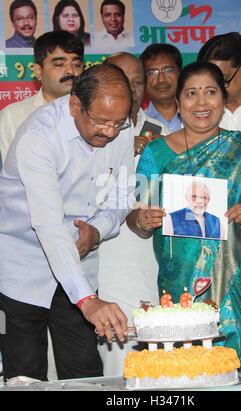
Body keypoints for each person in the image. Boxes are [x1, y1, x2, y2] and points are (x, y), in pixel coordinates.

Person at [127, 61, 241, 369]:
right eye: (191, 93)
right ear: (179, 102)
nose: (202, 102)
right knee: (189, 371)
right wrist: (142, 220)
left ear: (223, 98)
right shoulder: (156, 154)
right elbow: (137, 214)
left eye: (210, 92)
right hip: (181, 287)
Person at [0, 63, 135, 381]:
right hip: (21, 269)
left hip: (79, 265)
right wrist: (87, 300)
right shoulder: (40, 137)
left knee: (85, 374)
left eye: (118, 123)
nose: (111, 133)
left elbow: (122, 197)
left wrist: (98, 230)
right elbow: (47, 225)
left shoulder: (121, 128)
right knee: (25, 377)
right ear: (76, 104)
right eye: (101, 122)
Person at [97, 51, 168, 376]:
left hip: (154, 267)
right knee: (119, 371)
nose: (133, 88)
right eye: (124, 80)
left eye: (139, 81)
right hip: (108, 271)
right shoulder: (92, 138)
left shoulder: (164, 137)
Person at [0, 30, 84, 164]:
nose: (70, 71)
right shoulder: (13, 116)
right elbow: (10, 176)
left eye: (76, 65)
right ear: (38, 71)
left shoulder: (94, 113)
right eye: (59, 64)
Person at [140, 43, 183, 133]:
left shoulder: (196, 116)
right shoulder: (138, 120)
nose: (161, 79)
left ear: (180, 74)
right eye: (153, 72)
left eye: (168, 70)